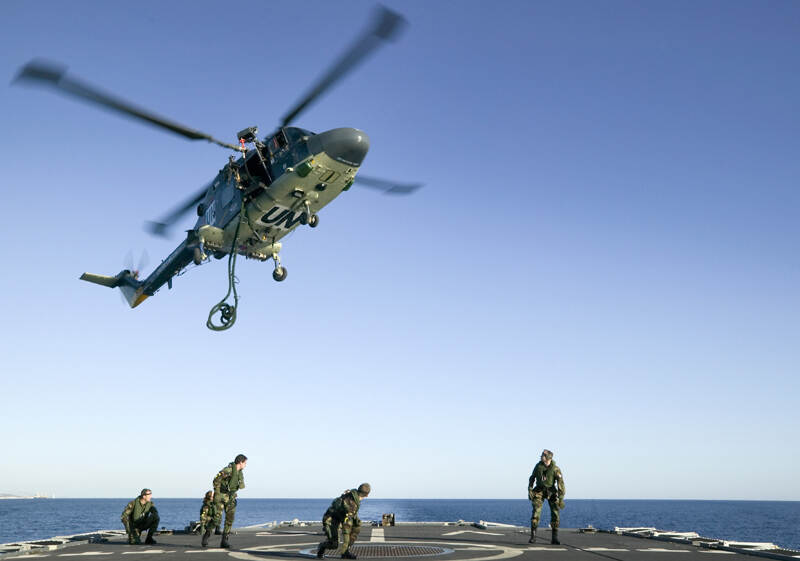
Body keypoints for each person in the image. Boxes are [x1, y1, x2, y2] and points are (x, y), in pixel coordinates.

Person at [202, 454, 247, 548]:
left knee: (230, 519)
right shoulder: (228, 470)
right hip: (221, 496)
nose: (245, 465)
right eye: (245, 463)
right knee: (216, 519)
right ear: (240, 462)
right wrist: (217, 493)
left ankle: (224, 540)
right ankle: (207, 534)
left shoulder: (239, 473)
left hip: (231, 497)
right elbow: (216, 480)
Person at [316, 483, 371, 559]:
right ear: (367, 495)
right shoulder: (352, 503)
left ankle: (346, 552)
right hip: (331, 519)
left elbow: (351, 517)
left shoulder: (354, 495)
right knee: (334, 544)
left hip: (340, 517)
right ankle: (322, 547)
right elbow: (346, 528)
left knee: (356, 527)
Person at [528, 449, 565, 544]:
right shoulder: (538, 466)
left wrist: (561, 498)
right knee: (536, 511)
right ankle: (533, 536)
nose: (541, 457)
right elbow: (532, 478)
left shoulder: (555, 469)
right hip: (539, 491)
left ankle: (554, 538)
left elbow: (560, 484)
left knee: (555, 513)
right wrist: (530, 489)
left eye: (543, 456)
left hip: (551, 491)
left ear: (548, 457)